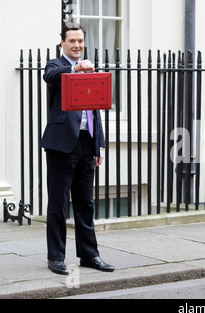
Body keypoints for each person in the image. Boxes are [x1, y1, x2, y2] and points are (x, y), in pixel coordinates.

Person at [42, 23, 114, 275]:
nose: (76, 45)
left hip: (86, 143)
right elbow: (49, 77)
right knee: (58, 204)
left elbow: (96, 109)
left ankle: (89, 255)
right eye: (72, 40)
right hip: (61, 146)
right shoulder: (55, 65)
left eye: (80, 41)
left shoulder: (90, 69)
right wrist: (75, 67)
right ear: (62, 43)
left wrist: (99, 144)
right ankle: (56, 257)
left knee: (86, 203)